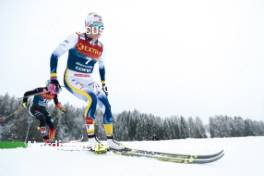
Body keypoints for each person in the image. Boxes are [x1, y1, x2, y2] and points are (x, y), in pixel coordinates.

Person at [48, 12, 124, 152]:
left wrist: (104, 84)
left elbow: (101, 66)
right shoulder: (75, 38)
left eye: (101, 28)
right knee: (92, 98)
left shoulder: (101, 47)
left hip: (88, 79)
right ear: (88, 27)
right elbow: (55, 54)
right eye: (95, 27)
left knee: (106, 103)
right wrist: (53, 77)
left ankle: (110, 140)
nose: (98, 32)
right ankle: (91, 140)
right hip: (72, 78)